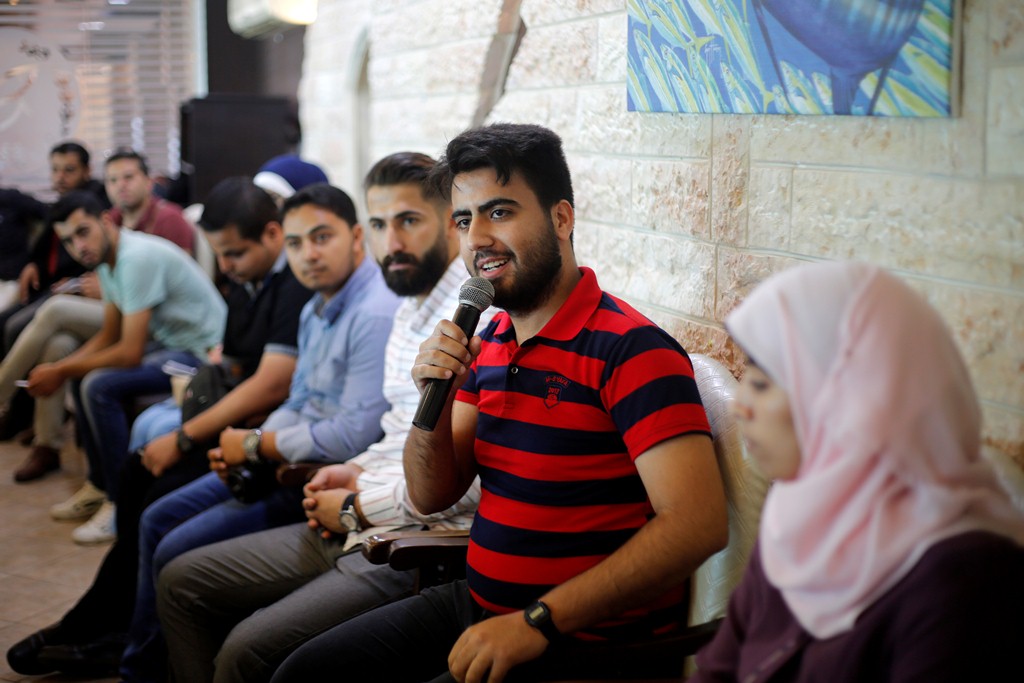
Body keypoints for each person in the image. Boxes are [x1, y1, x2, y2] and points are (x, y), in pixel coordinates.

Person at [270, 123, 729, 683]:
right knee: (302, 672)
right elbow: (432, 493)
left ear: (561, 219)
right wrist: (435, 398)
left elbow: (697, 524)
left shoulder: (631, 350)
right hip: (477, 604)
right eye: (465, 220)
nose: (478, 238)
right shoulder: (489, 339)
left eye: (500, 212)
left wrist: (537, 622)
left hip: (581, 643)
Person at [156, 151, 495, 683]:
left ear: (453, 224)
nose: (392, 243)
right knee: (181, 577)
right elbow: (391, 430)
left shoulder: (476, 320)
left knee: (245, 650)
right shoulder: (408, 307)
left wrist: (357, 505)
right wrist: (353, 471)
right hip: (358, 507)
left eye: (409, 221)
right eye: (380, 224)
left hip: (409, 541)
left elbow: (463, 479)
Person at [117, 182, 400, 683]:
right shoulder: (315, 307)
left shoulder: (373, 311)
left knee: (174, 551)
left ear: (357, 237)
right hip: (282, 459)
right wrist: (247, 449)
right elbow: (298, 399)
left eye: (322, 238)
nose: (308, 255)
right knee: (157, 514)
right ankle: (143, 661)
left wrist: (254, 443)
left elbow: (352, 433)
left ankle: (141, 668)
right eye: (295, 243)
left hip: (317, 478)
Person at [690, 261, 1024, 682]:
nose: (740, 407)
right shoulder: (799, 517)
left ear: (853, 399)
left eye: (761, 384)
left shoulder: (963, 580)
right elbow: (718, 671)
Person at [23, 190, 226, 542]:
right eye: (68, 241)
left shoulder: (135, 258)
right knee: (84, 375)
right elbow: (109, 335)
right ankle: (99, 486)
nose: (78, 247)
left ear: (105, 221)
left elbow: (129, 352)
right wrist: (65, 367)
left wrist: (60, 370)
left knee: (98, 385)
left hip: (202, 354)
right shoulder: (107, 261)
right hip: (171, 345)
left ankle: (119, 503)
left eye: (83, 232)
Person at [104, 148, 195, 254]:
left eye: (128, 177)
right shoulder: (109, 220)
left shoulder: (170, 219)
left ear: (149, 181)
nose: (120, 185)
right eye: (113, 180)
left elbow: (181, 264)